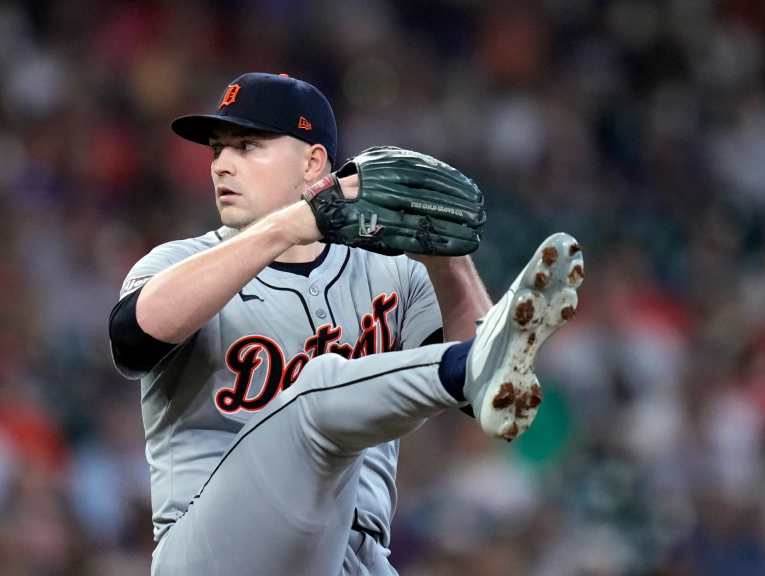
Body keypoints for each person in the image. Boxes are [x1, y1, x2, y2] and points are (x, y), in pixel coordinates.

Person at [108, 72, 584, 576]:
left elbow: (485, 401)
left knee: (450, 375)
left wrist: (450, 261)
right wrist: (292, 224)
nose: (221, 163)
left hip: (352, 560)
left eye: (247, 146)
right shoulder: (181, 263)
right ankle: (466, 364)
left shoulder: (392, 273)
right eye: (217, 149)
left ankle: (470, 362)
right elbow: (131, 340)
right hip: (215, 550)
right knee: (313, 395)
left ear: (313, 163)